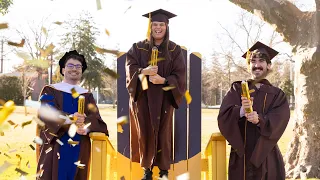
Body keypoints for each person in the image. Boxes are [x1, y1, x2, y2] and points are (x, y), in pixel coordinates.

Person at [125, 9, 186, 180]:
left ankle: (164, 171)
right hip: (143, 99)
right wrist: (143, 71)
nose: (158, 28)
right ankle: (147, 170)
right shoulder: (137, 47)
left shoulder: (174, 49)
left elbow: (179, 75)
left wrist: (164, 81)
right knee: (144, 131)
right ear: (149, 26)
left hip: (164, 98)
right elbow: (130, 69)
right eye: (155, 24)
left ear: (167, 27)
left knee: (163, 133)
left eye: (162, 25)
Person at [217, 41, 290, 180]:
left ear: (269, 65)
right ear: (249, 66)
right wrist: (242, 111)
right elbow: (223, 116)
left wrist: (259, 119)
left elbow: (280, 120)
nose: (256, 65)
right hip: (241, 155)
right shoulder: (237, 89)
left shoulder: (277, 94)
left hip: (268, 154)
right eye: (253, 61)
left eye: (261, 61)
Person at [35, 50, 109, 180]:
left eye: (78, 66)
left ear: (81, 71)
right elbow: (47, 113)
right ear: (63, 70)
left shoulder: (87, 95)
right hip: (56, 145)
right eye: (70, 65)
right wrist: (70, 118)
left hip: (80, 147)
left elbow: (96, 119)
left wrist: (86, 126)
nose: (74, 69)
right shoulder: (51, 90)